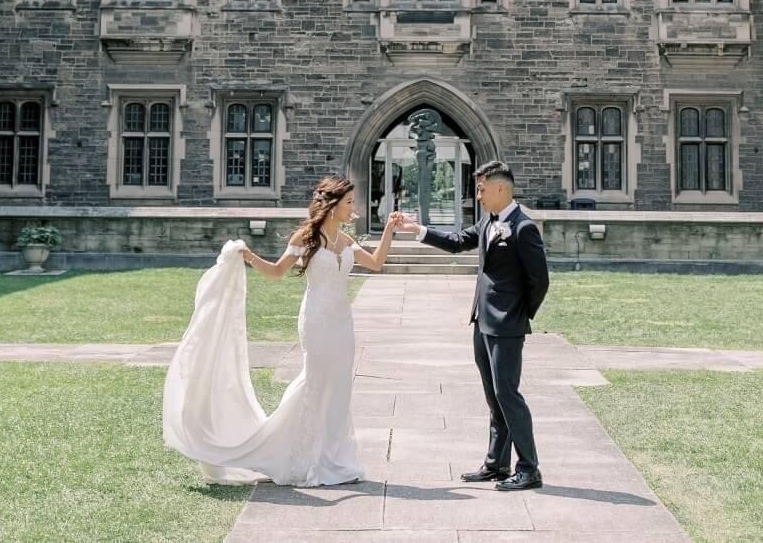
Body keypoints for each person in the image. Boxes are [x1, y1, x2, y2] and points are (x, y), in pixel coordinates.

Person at [162, 175, 398, 486]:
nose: (354, 207)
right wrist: (249, 257)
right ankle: (289, 455)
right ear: (333, 205)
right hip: (315, 321)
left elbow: (378, 263)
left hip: (342, 324)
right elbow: (276, 272)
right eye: (350, 202)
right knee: (313, 384)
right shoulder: (307, 237)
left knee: (339, 388)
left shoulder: (347, 240)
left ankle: (335, 460)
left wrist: (390, 229)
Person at [392, 160, 550, 491]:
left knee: (509, 395)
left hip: (507, 325)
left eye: (481, 188)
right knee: (494, 397)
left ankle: (529, 467)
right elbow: (455, 241)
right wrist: (415, 230)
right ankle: (496, 464)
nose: (477, 195)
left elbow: (540, 281)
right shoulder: (488, 222)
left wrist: (518, 315)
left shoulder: (523, 228)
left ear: (501, 189)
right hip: (481, 321)